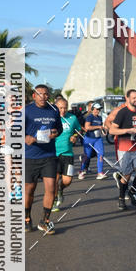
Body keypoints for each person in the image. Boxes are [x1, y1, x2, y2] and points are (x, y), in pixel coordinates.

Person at [24, 85, 63, 234]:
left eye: (46, 94)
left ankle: (44, 221)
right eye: (40, 94)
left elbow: (59, 129)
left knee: (51, 188)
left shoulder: (54, 110)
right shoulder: (26, 110)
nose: (43, 97)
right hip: (30, 156)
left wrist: (55, 133)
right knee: (29, 190)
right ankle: (27, 218)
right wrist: (26, 137)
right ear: (34, 95)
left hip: (49, 155)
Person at [106, 89, 136, 211]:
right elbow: (112, 130)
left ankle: (132, 192)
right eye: (134, 98)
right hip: (125, 148)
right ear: (127, 98)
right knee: (127, 175)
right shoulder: (122, 112)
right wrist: (128, 131)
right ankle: (121, 198)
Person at [53, 97, 82, 211]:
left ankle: (60, 190)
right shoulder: (51, 118)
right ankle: (54, 201)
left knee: (67, 181)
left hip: (68, 154)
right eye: (60, 108)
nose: (63, 110)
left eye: (65, 108)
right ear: (56, 107)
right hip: (54, 154)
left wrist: (74, 136)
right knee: (54, 180)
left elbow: (79, 130)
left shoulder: (72, 118)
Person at [78, 102, 107, 180]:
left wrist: (103, 131)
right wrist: (98, 127)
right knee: (87, 156)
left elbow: (101, 127)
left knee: (101, 154)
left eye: (99, 109)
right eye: (97, 109)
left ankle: (100, 173)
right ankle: (81, 171)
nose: (98, 111)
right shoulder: (89, 117)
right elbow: (87, 127)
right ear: (93, 109)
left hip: (98, 139)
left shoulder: (100, 118)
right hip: (89, 139)